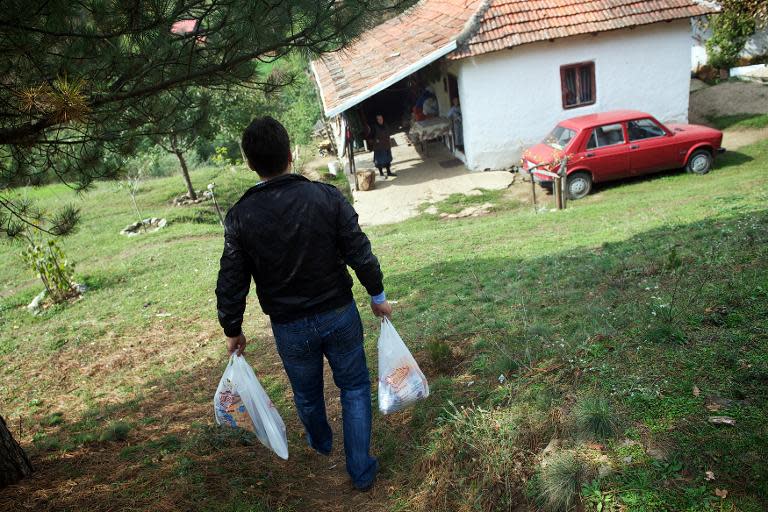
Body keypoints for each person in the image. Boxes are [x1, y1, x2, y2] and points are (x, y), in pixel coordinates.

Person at [215, 116, 393, 491]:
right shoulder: (326, 197)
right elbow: (359, 252)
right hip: (339, 314)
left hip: (290, 327)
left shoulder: (240, 217)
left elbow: (232, 279)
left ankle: (322, 442)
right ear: (290, 154)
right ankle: (360, 470)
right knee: (355, 388)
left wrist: (232, 328)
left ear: (250, 162)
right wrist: (377, 296)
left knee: (307, 395)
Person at [372, 114, 396, 179]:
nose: (381, 120)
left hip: (386, 145)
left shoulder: (385, 125)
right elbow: (371, 137)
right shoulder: (374, 127)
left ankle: (388, 172)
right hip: (379, 147)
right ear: (376, 120)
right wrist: (375, 140)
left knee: (388, 159)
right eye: (379, 119)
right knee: (380, 160)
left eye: (381, 119)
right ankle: (381, 174)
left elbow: (388, 133)